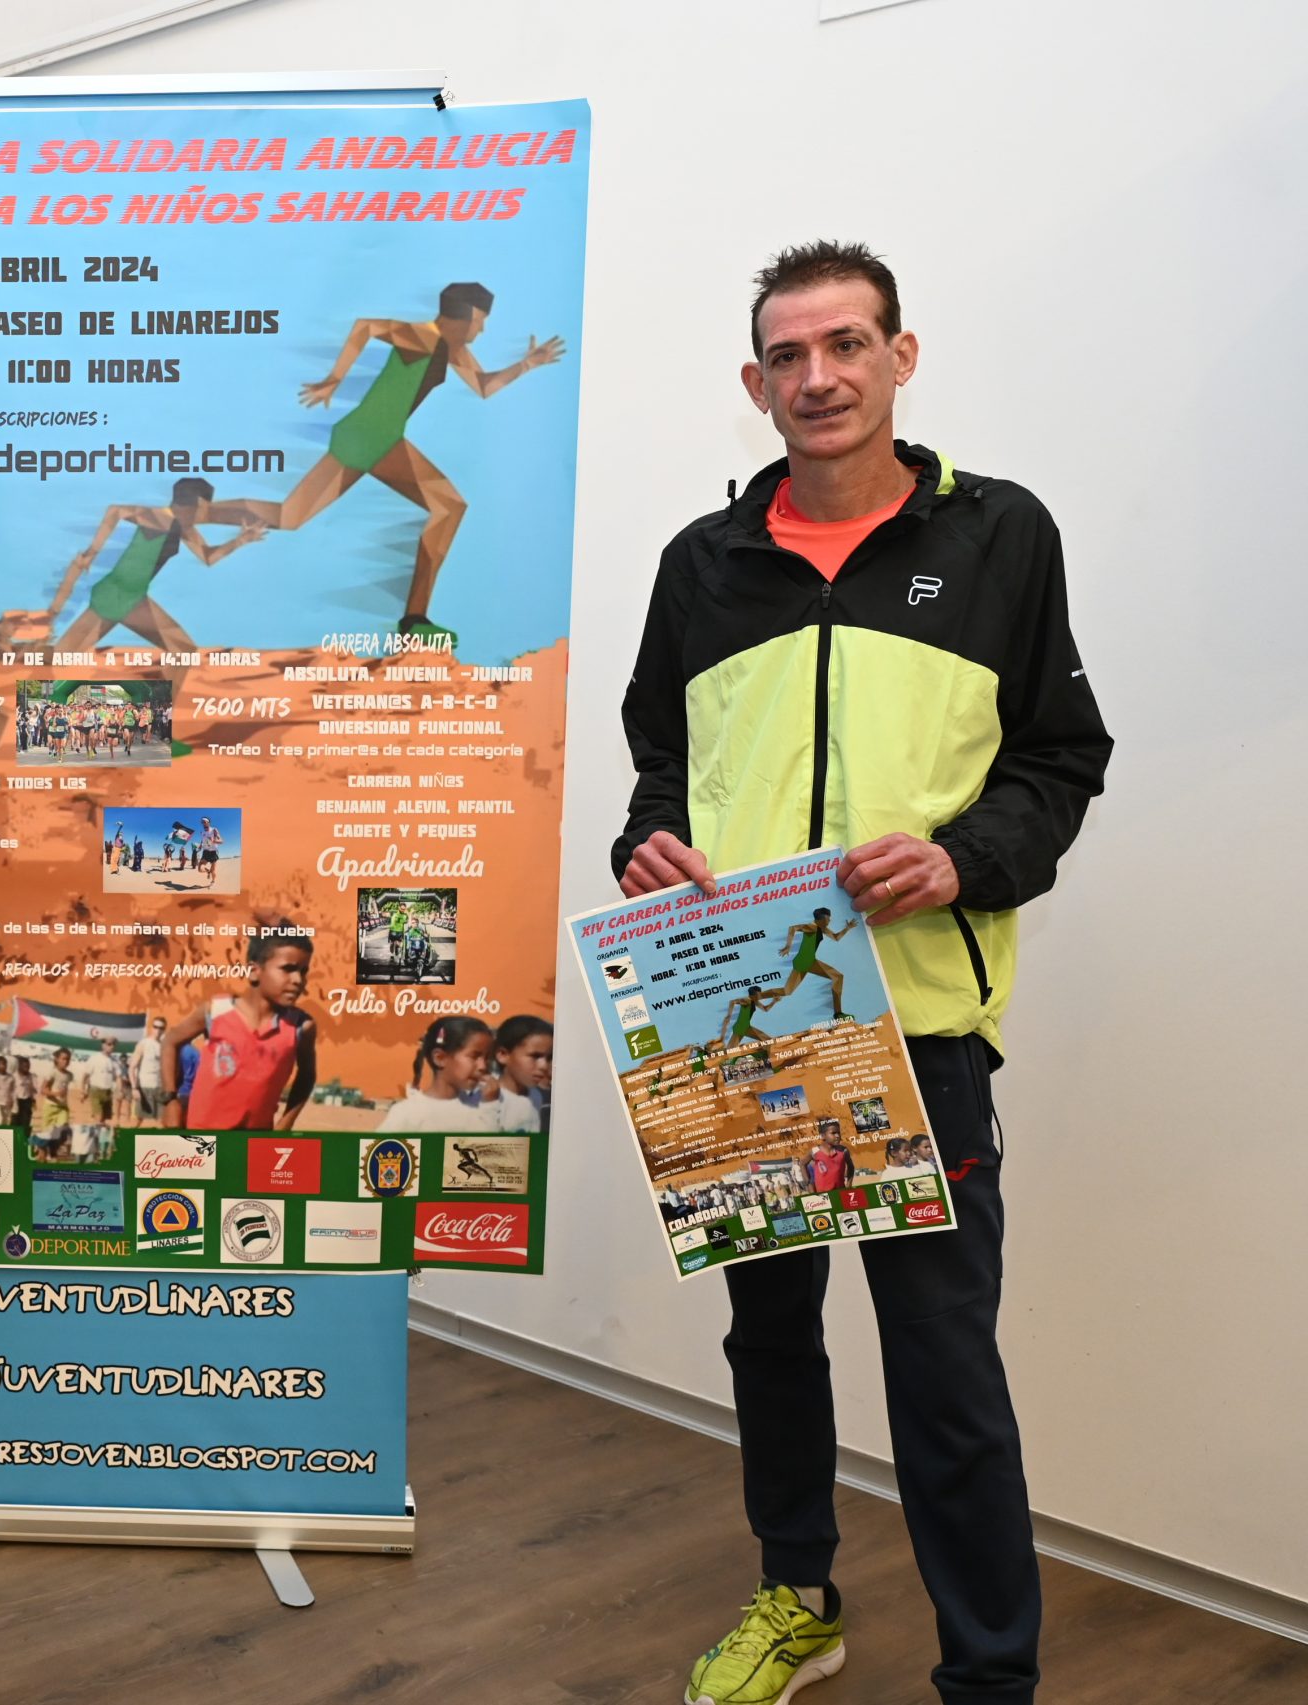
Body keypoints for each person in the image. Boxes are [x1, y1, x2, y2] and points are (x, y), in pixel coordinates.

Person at [614, 242, 1110, 1705]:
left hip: (920, 1018)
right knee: (767, 1330)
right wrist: (651, 842)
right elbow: (664, 764)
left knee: (943, 1364)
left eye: (846, 344)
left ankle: (991, 1676)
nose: (816, 377)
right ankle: (797, 1598)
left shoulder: (1004, 538)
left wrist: (964, 858)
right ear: (755, 381)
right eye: (788, 354)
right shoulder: (701, 568)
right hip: (736, 1015)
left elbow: (1060, 758)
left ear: (901, 357)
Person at [229, 282, 566, 640]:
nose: (480, 330)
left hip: (380, 439)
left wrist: (528, 363)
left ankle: (414, 619)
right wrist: (333, 380)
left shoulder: (453, 349)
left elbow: (483, 386)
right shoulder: (420, 335)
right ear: (458, 318)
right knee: (445, 506)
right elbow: (366, 326)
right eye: (478, 321)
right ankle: (413, 619)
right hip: (368, 439)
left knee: (290, 516)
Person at [43, 477, 267, 698]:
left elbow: (208, 557)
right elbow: (115, 511)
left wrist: (240, 541)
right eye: (203, 509)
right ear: (191, 505)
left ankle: (153, 717)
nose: (204, 516)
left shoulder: (184, 529)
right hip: (112, 596)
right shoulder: (154, 516)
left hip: (135, 600)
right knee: (60, 659)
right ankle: (44, 704)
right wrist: (92, 552)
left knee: (184, 652)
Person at [166, 929, 318, 1131]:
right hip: (200, 1139)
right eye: (287, 969)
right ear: (254, 971)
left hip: (255, 1144)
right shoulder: (216, 1011)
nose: (298, 980)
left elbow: (307, 1075)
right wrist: (169, 1099)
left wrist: (285, 1122)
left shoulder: (301, 1027)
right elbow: (170, 1041)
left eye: (303, 971)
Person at [375, 1015, 501, 1131]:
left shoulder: (482, 1109)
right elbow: (375, 1152)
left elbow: (490, 1151)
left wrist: (491, 1106)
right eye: (474, 1056)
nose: (483, 1066)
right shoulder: (407, 1113)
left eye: (487, 1058)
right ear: (440, 1058)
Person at [490, 1014, 554, 1133]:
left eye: (549, 1058)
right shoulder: (486, 1097)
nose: (544, 1066)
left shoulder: (536, 1096)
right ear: (503, 1055)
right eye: (535, 1056)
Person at [132, 1016, 169, 1122]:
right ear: (151, 1028)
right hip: (145, 1087)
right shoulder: (144, 1043)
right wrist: (134, 1088)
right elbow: (132, 1067)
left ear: (164, 1030)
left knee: (160, 1121)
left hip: (159, 1087)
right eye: (155, 1027)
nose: (158, 1030)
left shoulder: (163, 1046)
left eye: (161, 1028)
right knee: (140, 1122)